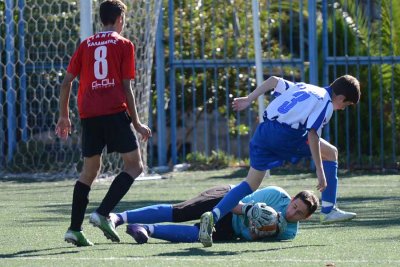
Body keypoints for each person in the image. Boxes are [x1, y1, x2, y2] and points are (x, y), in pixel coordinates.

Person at [199, 75, 361, 247]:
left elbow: (273, 81)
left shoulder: (304, 87)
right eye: (346, 105)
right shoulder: (326, 102)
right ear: (341, 98)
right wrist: (320, 172)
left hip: (264, 131)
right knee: (331, 153)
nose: (343, 108)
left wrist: (249, 99)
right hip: (286, 136)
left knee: (250, 184)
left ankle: (213, 216)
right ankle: (328, 210)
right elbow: (313, 134)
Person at [56, 0, 151, 247]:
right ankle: (103, 212)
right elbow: (126, 88)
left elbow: (66, 82)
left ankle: (74, 229)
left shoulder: (85, 44)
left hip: (88, 114)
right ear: (120, 18)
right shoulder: (124, 44)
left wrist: (64, 116)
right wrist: (138, 123)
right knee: (134, 166)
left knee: (89, 172)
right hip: (113, 111)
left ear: (101, 19)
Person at [108, 185, 319, 244]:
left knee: (196, 235)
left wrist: (258, 232)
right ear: (291, 199)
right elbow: (237, 199)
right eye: (294, 206)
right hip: (226, 198)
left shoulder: (289, 233)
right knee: (181, 212)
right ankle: (119, 217)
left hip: (232, 229)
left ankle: (144, 229)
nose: (293, 213)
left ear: (306, 218)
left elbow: (245, 237)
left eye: (299, 213)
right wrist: (249, 210)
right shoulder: (276, 194)